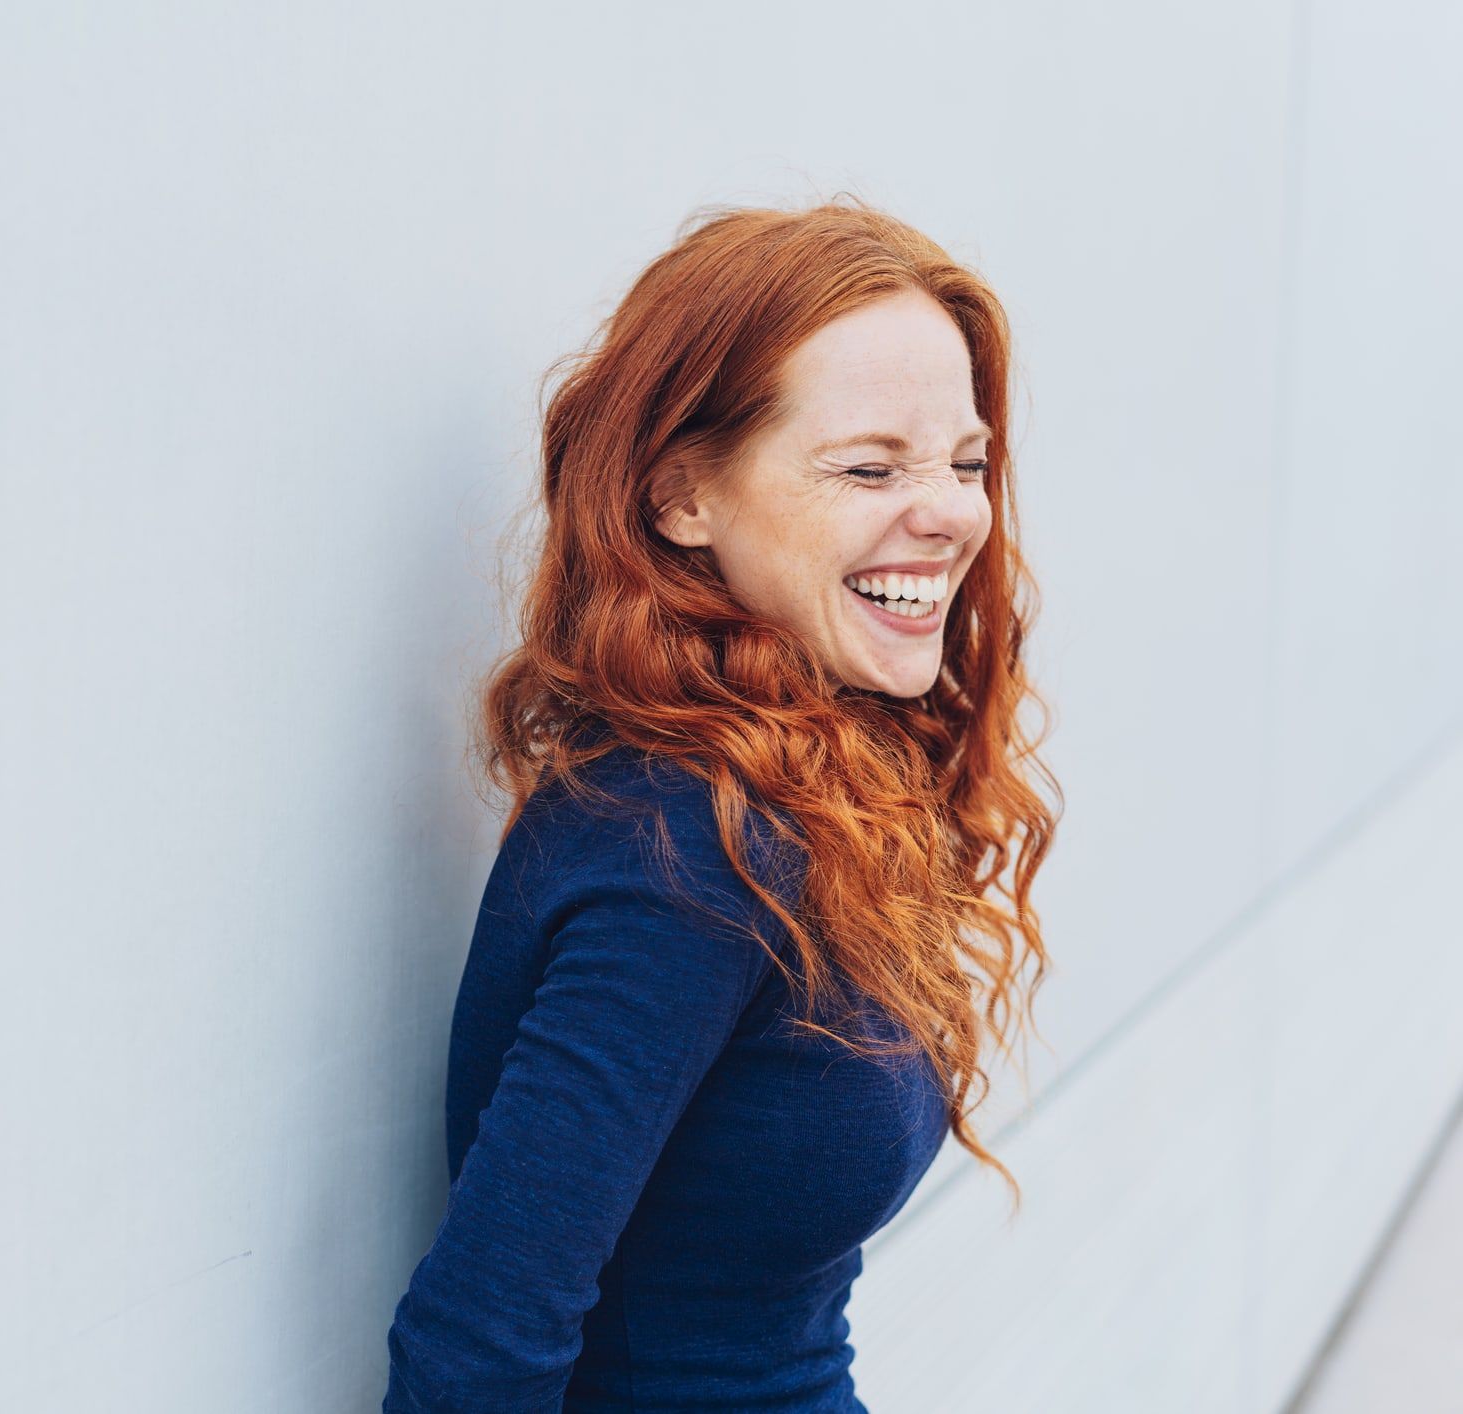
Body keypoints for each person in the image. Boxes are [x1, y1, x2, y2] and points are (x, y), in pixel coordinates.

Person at [382, 198, 1062, 1413]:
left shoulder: (810, 787)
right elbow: (475, 1341)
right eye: (868, 465)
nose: (954, 511)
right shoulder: (689, 846)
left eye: (963, 462)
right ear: (680, 500)